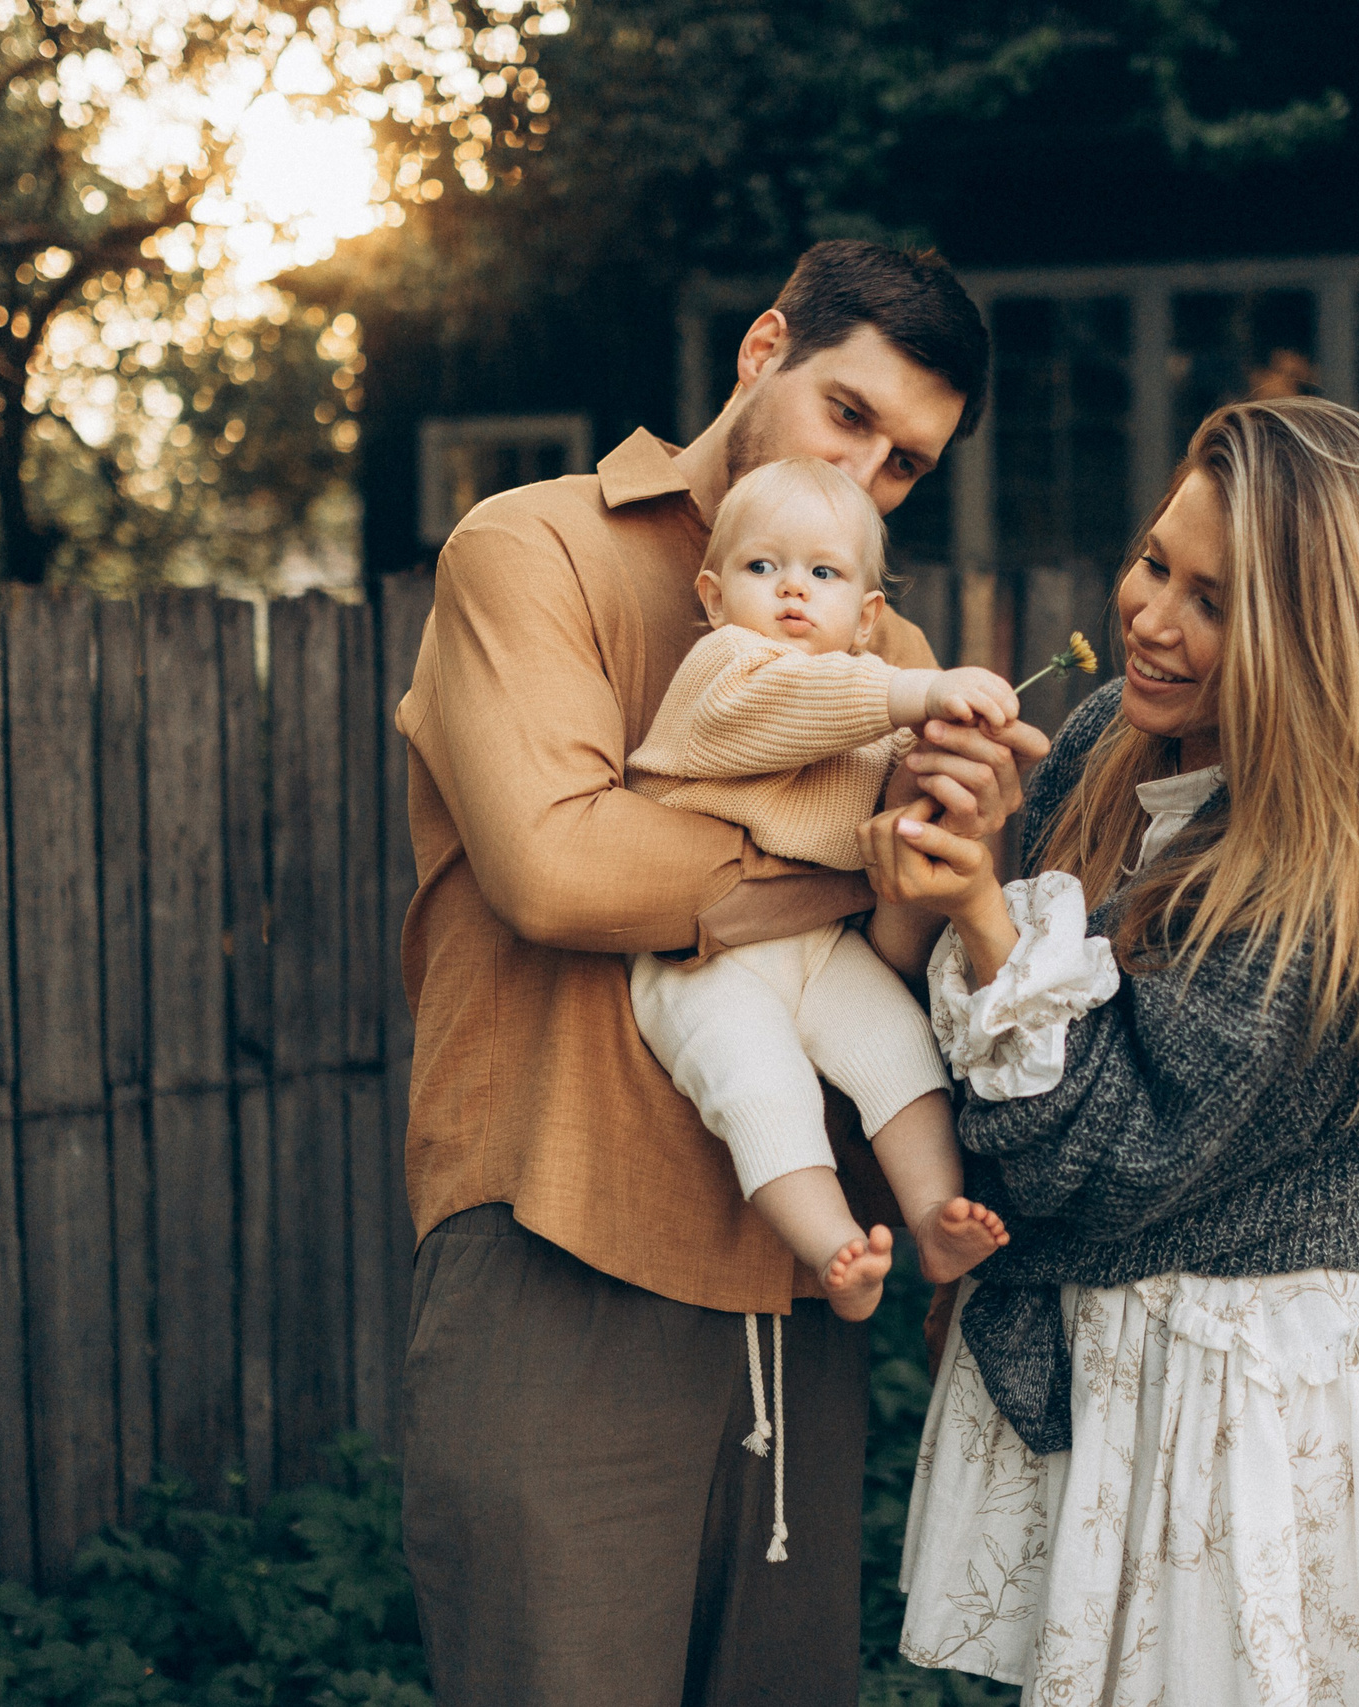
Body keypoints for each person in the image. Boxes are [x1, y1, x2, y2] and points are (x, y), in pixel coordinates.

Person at [394, 239, 1049, 1707]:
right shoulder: (531, 546)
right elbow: (559, 872)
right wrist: (841, 865)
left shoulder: (890, 637)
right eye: (850, 415)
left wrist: (952, 867)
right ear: (762, 353)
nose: (872, 475)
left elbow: (882, 962)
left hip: (803, 1277)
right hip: (559, 1243)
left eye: (905, 468)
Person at [862, 396, 1359, 1704]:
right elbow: (985, 1063)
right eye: (1155, 562)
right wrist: (955, 850)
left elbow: (1093, 1161)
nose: (1152, 615)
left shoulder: (1322, 888)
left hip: (1235, 1397)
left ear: (1316, 644)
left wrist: (985, 906)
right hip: (1119, 1365)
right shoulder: (1112, 741)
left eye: (1215, 599)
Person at [626, 454, 1015, 1330]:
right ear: (715, 594)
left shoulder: (866, 711)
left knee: (899, 1044)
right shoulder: (726, 669)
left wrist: (934, 767)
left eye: (824, 573)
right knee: (759, 1081)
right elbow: (792, 704)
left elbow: (880, 786)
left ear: (867, 616)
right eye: (762, 568)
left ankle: (934, 1218)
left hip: (817, 950)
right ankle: (832, 1245)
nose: (791, 591)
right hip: (704, 961)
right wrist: (917, 689)